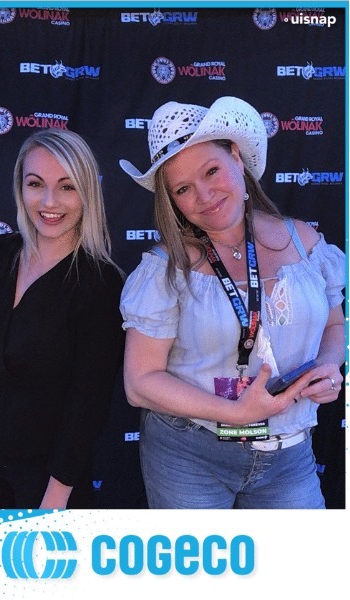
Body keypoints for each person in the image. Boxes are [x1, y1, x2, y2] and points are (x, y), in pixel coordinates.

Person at [119, 96, 345, 509]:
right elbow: (139, 382)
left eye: (211, 171)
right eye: (183, 189)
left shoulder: (306, 243)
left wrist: (330, 367)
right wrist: (237, 414)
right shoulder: (164, 269)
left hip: (289, 455)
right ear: (172, 201)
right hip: (190, 457)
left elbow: (334, 326)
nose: (204, 195)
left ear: (237, 158)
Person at [0, 128, 125, 509]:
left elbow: (88, 404)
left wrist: (54, 501)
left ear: (87, 193)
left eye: (66, 186)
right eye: (36, 184)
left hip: (48, 479)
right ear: (20, 187)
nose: (49, 201)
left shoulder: (101, 283)